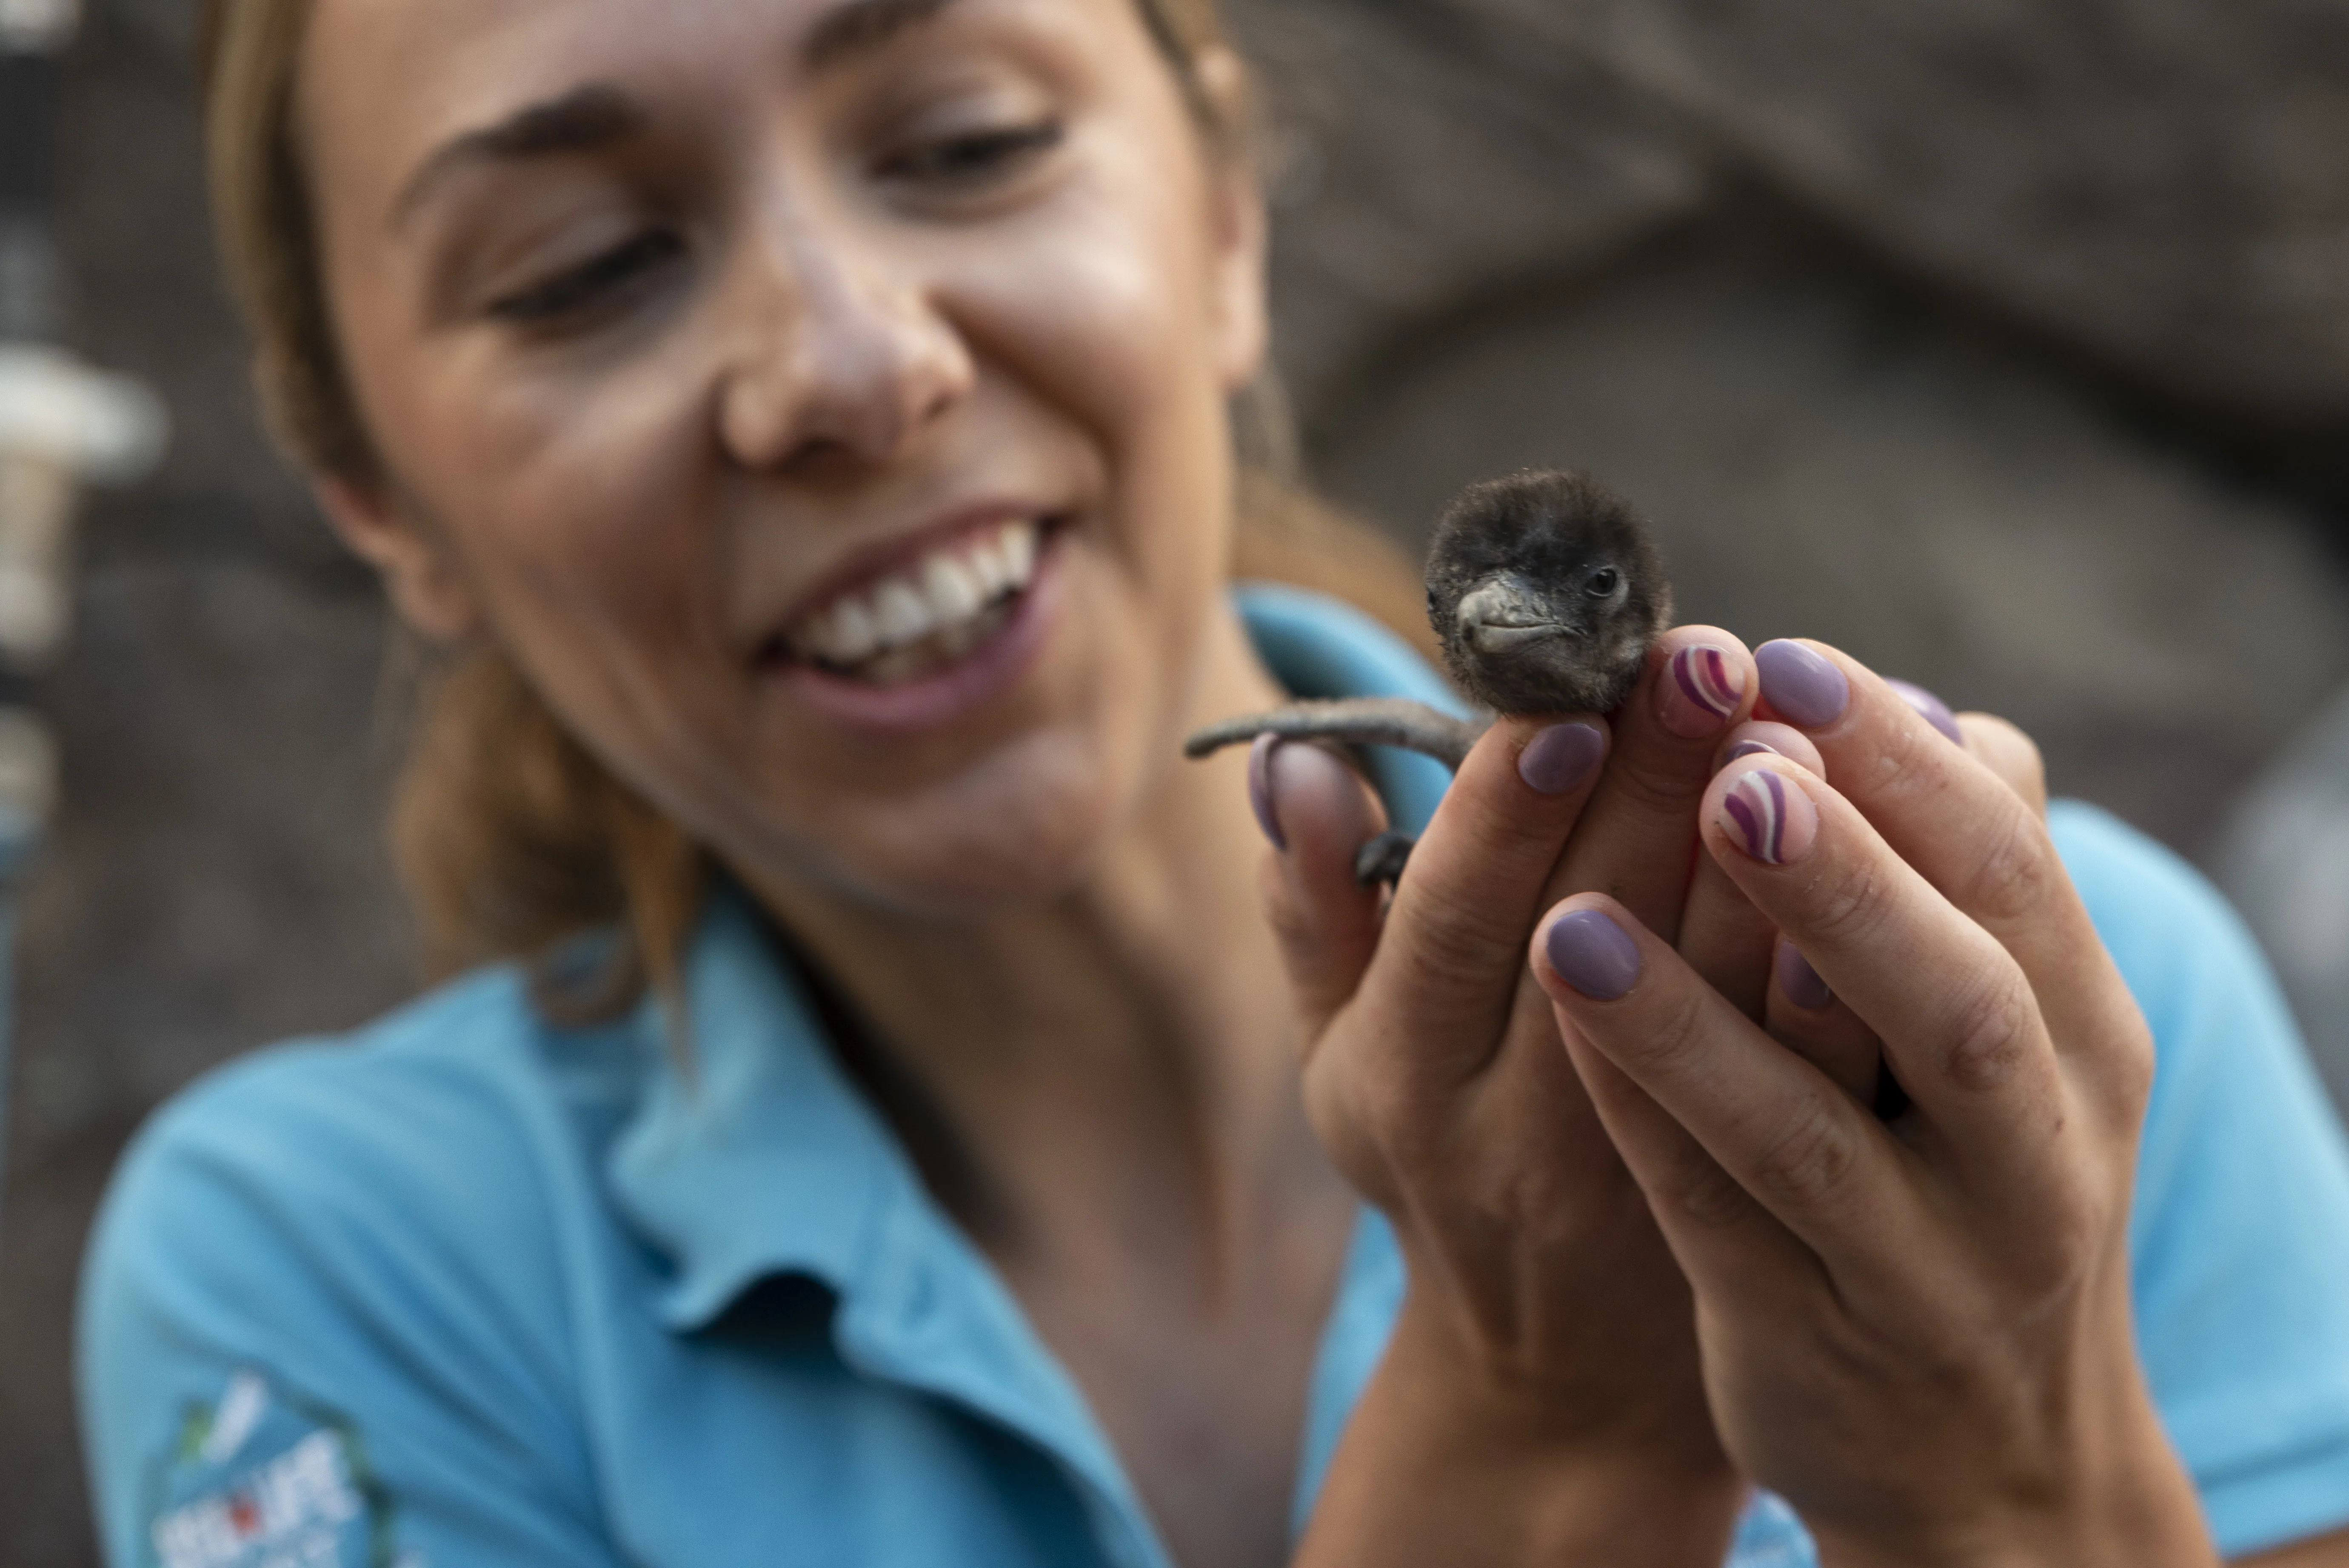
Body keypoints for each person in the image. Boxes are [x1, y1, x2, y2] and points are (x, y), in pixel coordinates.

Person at [76, 0, 2349, 1563]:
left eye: (965, 143)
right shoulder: (349, 1283)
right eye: (582, 274)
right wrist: (1542, 1434)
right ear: (380, 505)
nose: (853, 367)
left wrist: (2009, 1485)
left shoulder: (2032, 1010)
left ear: (1232, 214)